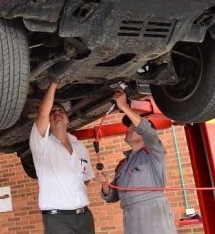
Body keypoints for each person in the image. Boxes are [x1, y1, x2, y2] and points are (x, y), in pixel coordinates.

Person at [95, 90, 177, 234]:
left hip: (152, 213)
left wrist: (125, 106)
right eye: (128, 127)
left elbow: (149, 133)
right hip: (130, 217)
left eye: (133, 128)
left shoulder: (154, 154)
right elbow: (113, 196)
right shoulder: (123, 165)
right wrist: (104, 183)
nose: (128, 130)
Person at [29, 82, 95, 234]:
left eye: (61, 111)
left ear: (67, 120)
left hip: (84, 216)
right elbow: (42, 114)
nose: (56, 112)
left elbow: (86, 178)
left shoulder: (80, 147)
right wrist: (53, 82)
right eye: (52, 112)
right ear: (48, 122)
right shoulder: (41, 144)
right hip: (58, 219)